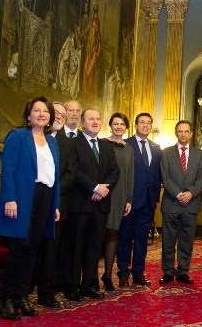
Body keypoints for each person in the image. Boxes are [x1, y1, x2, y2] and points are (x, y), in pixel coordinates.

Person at [0, 96, 60, 320]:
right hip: (22, 198)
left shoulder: (51, 141)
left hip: (45, 198)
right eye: (37, 110)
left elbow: (54, 176)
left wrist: (55, 205)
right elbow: (8, 169)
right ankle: (5, 299)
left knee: (33, 249)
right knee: (19, 249)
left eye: (46, 111)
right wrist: (9, 199)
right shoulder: (18, 136)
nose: (42, 114)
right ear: (29, 115)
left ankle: (22, 296)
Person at [63, 108, 119, 301]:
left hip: (100, 205)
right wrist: (94, 187)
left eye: (98, 118)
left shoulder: (106, 145)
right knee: (75, 246)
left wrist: (104, 189)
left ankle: (89, 284)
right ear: (82, 122)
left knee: (94, 246)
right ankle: (71, 286)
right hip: (80, 203)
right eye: (90, 119)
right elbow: (74, 171)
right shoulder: (74, 143)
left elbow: (115, 172)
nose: (95, 121)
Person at [35, 101, 76, 308]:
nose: (59, 116)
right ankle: (23, 290)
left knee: (52, 249)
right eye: (56, 112)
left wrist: (54, 193)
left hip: (58, 203)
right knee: (31, 246)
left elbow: (70, 173)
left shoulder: (67, 143)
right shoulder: (32, 137)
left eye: (62, 113)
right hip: (34, 202)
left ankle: (47, 291)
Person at [118, 113, 162, 287]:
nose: (145, 125)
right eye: (142, 122)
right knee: (125, 238)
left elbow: (157, 173)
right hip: (129, 201)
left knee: (142, 240)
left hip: (148, 202)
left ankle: (138, 272)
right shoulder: (125, 144)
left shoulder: (156, 147)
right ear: (135, 125)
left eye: (148, 123)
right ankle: (123, 273)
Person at [159, 120, 202, 285]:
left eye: (186, 131)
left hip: (191, 204)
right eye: (180, 131)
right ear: (176, 133)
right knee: (168, 239)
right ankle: (168, 271)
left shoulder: (199, 154)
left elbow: (201, 177)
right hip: (171, 202)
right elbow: (165, 178)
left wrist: (190, 193)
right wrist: (179, 194)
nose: (183, 134)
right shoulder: (166, 153)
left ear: (191, 134)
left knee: (187, 239)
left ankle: (183, 271)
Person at [101, 113, 134, 291]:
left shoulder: (129, 149)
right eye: (115, 123)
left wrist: (129, 199)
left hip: (120, 196)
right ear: (110, 125)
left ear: (126, 127)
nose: (119, 126)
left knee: (113, 236)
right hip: (103, 193)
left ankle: (107, 275)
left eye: (122, 124)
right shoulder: (102, 143)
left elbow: (130, 175)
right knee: (97, 236)